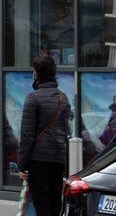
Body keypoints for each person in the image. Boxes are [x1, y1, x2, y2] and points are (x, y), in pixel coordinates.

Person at [17, 55, 73, 216]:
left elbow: (27, 136)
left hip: (39, 160)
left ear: (36, 74)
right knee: (55, 202)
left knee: (41, 204)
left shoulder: (33, 98)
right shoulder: (64, 98)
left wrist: (22, 165)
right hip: (58, 159)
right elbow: (66, 131)